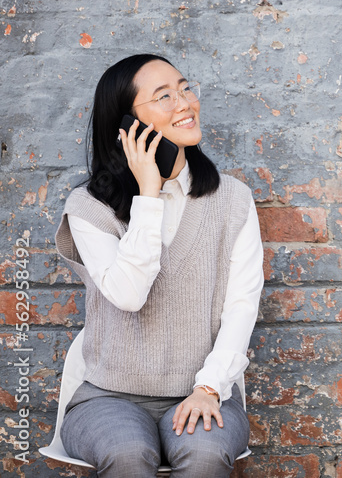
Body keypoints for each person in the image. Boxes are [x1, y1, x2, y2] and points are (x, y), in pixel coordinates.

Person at [54, 54, 264, 477]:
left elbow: (242, 304)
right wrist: (148, 195)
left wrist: (208, 389)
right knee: (128, 453)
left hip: (204, 391)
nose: (184, 103)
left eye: (185, 88)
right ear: (127, 125)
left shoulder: (233, 199)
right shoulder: (89, 208)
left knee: (204, 453)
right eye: (163, 97)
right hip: (106, 396)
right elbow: (129, 296)